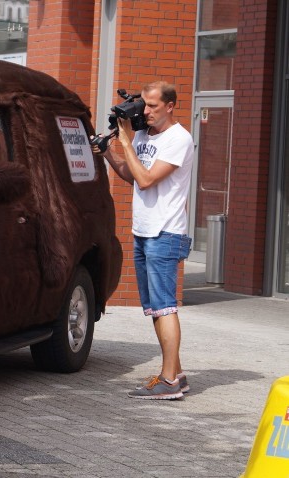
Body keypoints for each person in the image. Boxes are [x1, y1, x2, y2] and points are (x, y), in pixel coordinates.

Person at [92, 81, 194, 400]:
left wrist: (125, 140)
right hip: (144, 229)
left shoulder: (179, 139)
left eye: (153, 106)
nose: (146, 112)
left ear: (170, 105)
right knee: (153, 309)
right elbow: (131, 174)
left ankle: (169, 383)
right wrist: (109, 151)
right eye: (144, 105)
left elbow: (147, 180)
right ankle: (175, 375)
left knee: (165, 307)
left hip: (165, 232)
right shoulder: (144, 135)